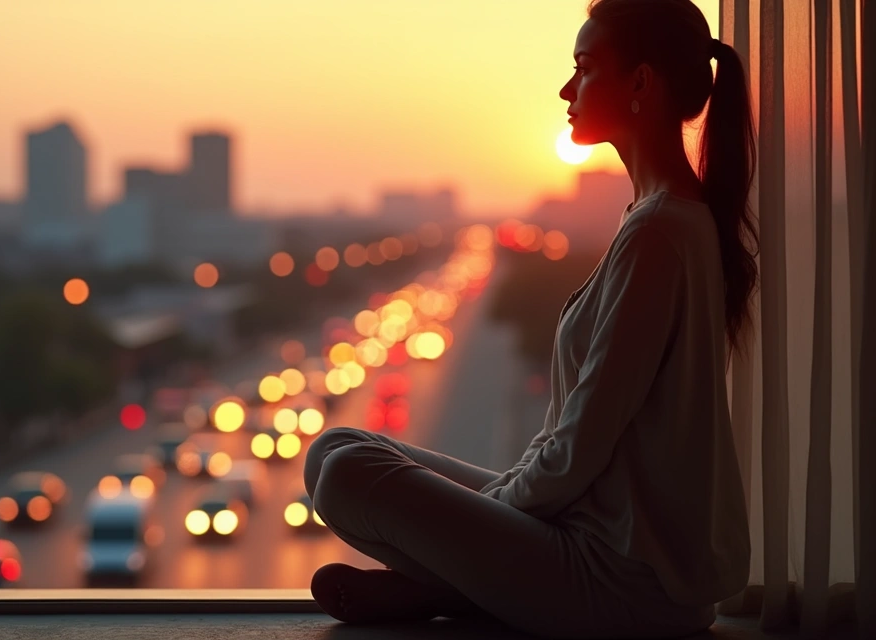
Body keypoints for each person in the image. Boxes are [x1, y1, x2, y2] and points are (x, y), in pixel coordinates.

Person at [303, 0, 759, 637]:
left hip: (626, 582)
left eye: (585, 67)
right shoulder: (660, 218)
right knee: (335, 447)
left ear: (640, 83)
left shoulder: (660, 230)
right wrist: (487, 519)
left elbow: (583, 442)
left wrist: (484, 516)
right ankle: (460, 588)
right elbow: (582, 442)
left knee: (346, 477)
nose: (567, 89)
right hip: (598, 537)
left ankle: (450, 590)